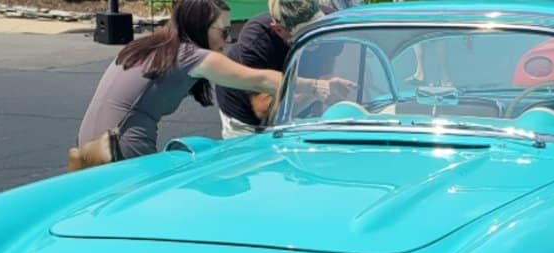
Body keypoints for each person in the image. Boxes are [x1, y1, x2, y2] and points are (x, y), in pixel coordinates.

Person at [76, 0, 281, 162]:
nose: (228, 40)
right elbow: (262, 80)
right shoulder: (192, 56)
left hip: (90, 144)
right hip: (121, 147)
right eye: (224, 32)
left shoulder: (150, 47)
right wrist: (301, 84)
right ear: (200, 27)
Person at [216, 0, 355, 138]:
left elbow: (325, 73)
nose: (314, 39)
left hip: (297, 105)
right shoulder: (256, 40)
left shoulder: (329, 24)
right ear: (278, 29)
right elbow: (264, 110)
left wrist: (324, 95)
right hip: (247, 117)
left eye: (315, 29)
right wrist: (317, 90)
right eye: (304, 33)